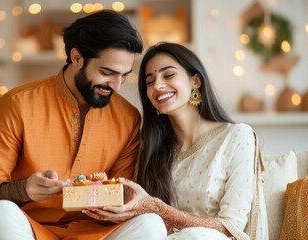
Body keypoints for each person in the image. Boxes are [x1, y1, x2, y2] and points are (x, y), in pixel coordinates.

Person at [0, 10, 168, 240]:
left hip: (96, 233)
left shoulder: (128, 117)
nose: (116, 86)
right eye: (107, 73)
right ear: (76, 58)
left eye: (124, 76)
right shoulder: (16, 104)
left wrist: (120, 203)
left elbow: (119, 193)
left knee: (151, 224)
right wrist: (23, 190)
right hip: (29, 229)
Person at [82, 42, 269, 240]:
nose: (158, 86)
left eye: (168, 75)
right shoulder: (151, 145)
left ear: (195, 81)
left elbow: (231, 228)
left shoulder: (237, 136)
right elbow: (140, 215)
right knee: (148, 225)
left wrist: (159, 209)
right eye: (150, 81)